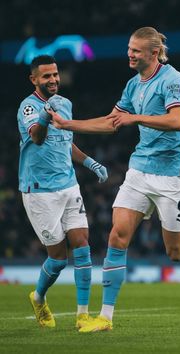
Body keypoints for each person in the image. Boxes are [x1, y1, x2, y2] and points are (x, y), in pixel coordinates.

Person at [49, 27, 180, 332]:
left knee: (176, 252)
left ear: (153, 53)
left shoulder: (174, 80)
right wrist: (68, 124)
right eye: (128, 48)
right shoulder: (133, 85)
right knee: (117, 236)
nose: (130, 54)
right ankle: (105, 318)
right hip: (139, 170)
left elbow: (177, 121)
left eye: (135, 50)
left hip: (174, 175)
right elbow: (112, 122)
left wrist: (136, 118)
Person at [17, 55, 113, 329]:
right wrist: (46, 116)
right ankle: (38, 297)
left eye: (55, 74)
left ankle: (82, 314)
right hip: (40, 192)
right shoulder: (28, 107)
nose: (53, 80)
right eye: (46, 76)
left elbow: (65, 142)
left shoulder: (65, 105)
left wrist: (90, 162)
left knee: (82, 245)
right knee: (58, 260)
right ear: (34, 79)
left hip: (69, 186)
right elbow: (37, 136)